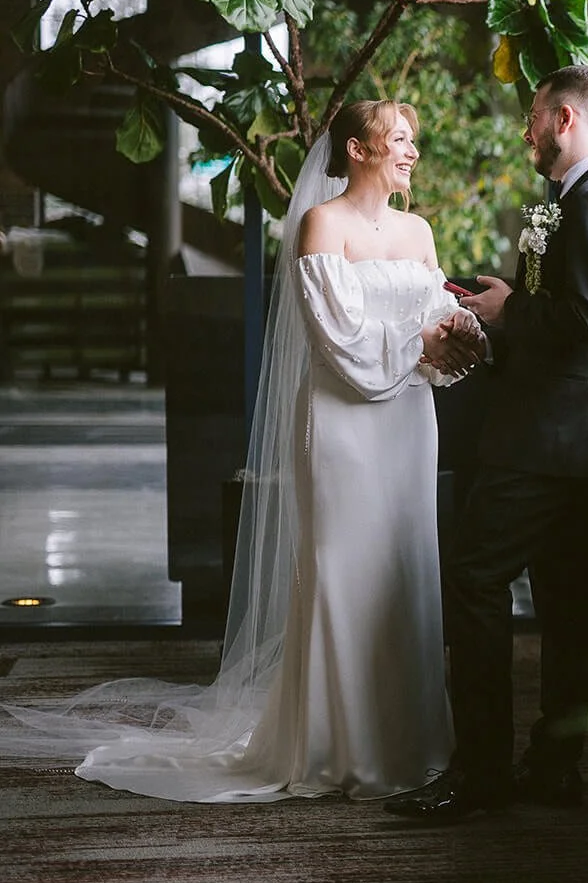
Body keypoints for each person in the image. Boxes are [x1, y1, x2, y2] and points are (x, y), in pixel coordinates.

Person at [0, 100, 479, 802]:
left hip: (407, 423)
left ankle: (411, 742)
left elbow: (442, 323)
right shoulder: (322, 223)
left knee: (404, 572)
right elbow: (335, 341)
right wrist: (420, 345)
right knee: (343, 572)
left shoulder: (419, 229)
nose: (412, 151)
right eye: (400, 139)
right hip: (344, 425)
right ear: (357, 148)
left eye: (414, 139)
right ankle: (339, 745)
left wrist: (459, 338)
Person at [386, 65, 588, 819]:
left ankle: (481, 774)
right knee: (567, 601)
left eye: (535, 116)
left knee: (475, 579)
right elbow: (569, 320)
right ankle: (552, 763)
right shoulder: (586, 197)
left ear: (566, 119)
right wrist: (495, 322)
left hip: (553, 437)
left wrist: (511, 311)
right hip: (568, 431)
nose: (526, 129)